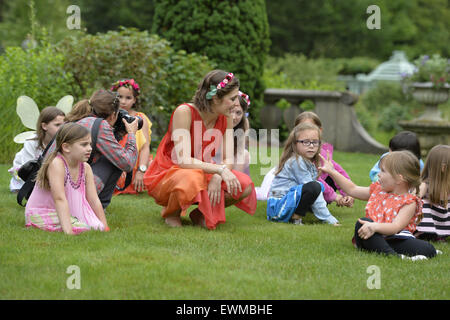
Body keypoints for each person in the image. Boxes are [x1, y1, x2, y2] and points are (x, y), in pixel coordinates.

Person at [143, 70, 256, 229]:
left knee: (244, 185)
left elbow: (228, 157)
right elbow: (183, 160)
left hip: (202, 169)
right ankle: (171, 212)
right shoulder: (184, 112)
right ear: (216, 98)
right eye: (232, 98)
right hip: (170, 170)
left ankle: (200, 213)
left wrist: (218, 175)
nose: (236, 103)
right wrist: (219, 170)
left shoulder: (227, 117)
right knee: (191, 178)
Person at [319, 150, 437, 260]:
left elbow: (396, 227)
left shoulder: (409, 202)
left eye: (383, 171)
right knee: (362, 223)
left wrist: (376, 226)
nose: (379, 174)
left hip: (395, 237)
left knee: (429, 249)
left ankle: (384, 249)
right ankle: (394, 256)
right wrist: (332, 172)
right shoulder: (378, 190)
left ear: (399, 178)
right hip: (369, 234)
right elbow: (352, 189)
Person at [256, 111, 354, 208]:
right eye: (302, 128)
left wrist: (348, 193)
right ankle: (301, 208)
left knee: (331, 172)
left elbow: (339, 172)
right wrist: (335, 197)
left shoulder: (322, 151)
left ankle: (315, 204)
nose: (307, 131)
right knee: (314, 184)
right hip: (292, 193)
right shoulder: (294, 157)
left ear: (320, 130)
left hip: (314, 189)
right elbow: (314, 179)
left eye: (311, 127)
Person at [25, 123, 109, 235]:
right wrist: (68, 231)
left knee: (96, 226)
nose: (89, 149)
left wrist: (104, 226)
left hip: (64, 212)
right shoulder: (57, 164)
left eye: (90, 144)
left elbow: (94, 200)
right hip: (43, 212)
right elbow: (59, 198)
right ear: (66, 147)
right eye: (84, 145)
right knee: (83, 228)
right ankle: (69, 224)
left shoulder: (86, 167)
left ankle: (74, 222)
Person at [63, 89, 139, 208]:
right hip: (70, 192)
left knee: (112, 156)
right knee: (114, 161)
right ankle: (96, 207)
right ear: (113, 114)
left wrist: (118, 134)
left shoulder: (78, 118)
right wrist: (131, 134)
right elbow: (127, 163)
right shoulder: (100, 125)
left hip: (56, 188)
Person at [267, 122, 340, 226]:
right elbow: (314, 191)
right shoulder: (296, 162)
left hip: (286, 204)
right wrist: (329, 219)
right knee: (314, 187)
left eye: (315, 142)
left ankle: (295, 216)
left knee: (317, 186)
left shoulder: (307, 161)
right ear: (295, 144)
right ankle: (295, 217)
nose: (311, 146)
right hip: (278, 208)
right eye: (305, 142)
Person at [9, 107, 65, 192]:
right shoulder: (32, 142)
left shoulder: (62, 142)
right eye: (57, 125)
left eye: (63, 125)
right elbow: (27, 166)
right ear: (44, 126)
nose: (61, 128)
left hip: (47, 172)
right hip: (25, 171)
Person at [111, 79, 153, 194]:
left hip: (135, 164)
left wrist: (141, 170)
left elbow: (145, 147)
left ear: (134, 100)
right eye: (120, 97)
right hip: (118, 163)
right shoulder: (110, 117)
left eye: (128, 98)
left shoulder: (140, 118)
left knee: (152, 167)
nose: (123, 101)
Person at [415, 145, 450, 242]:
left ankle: (440, 233)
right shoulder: (424, 185)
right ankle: (425, 233)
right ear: (443, 168)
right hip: (425, 221)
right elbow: (411, 200)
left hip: (441, 220)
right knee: (422, 204)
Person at [214, 90, 251, 175]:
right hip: (210, 167)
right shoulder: (213, 125)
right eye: (230, 111)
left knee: (244, 154)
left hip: (230, 170)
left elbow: (239, 157)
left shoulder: (242, 126)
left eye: (238, 113)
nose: (233, 117)